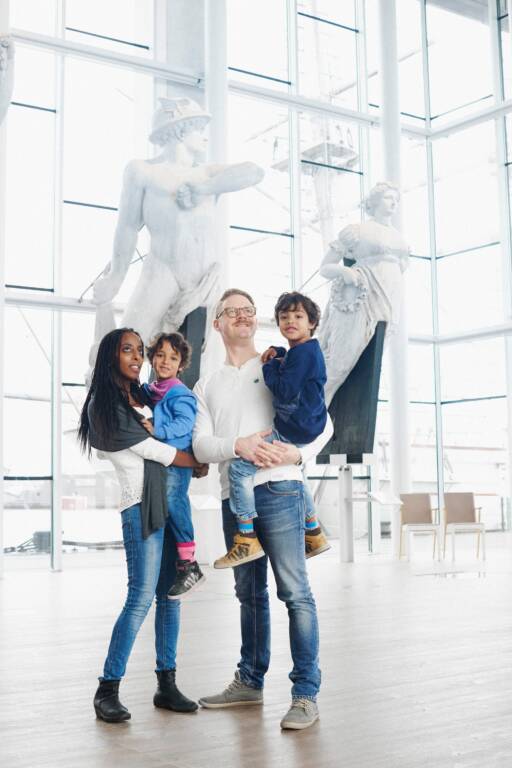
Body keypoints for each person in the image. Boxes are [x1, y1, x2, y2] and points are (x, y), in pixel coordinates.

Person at [192, 289, 333, 731]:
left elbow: (323, 422)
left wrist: (298, 454)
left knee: (295, 593)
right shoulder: (206, 384)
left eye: (248, 310)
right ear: (218, 323)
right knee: (248, 595)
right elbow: (201, 445)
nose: (242, 316)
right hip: (234, 499)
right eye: (231, 311)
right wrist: (237, 445)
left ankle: (305, 694)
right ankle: (250, 681)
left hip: (281, 489)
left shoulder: (278, 361)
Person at [78, 327, 207, 723]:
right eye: (127, 350)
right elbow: (153, 449)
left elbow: (175, 432)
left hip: (164, 501)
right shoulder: (106, 403)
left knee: (171, 596)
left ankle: (166, 684)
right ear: (110, 357)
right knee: (140, 598)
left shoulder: (145, 396)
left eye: (139, 351)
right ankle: (107, 689)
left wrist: (191, 455)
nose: (137, 357)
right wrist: (196, 461)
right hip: (140, 505)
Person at [91, 97, 264, 358]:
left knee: (205, 357)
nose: (205, 136)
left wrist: (203, 189)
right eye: (199, 128)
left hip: (203, 274)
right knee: (127, 345)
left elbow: (254, 172)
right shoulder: (143, 171)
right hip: (162, 268)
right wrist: (116, 277)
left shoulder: (207, 174)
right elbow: (127, 228)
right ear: (180, 131)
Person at [214, 290, 330, 569]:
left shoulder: (304, 353)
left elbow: (284, 388)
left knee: (238, 470)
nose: (290, 321)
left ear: (312, 322)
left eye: (298, 316)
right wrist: (278, 353)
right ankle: (313, 530)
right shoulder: (302, 351)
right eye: (284, 317)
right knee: (298, 473)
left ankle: (245, 536)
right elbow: (291, 365)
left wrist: (267, 367)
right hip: (303, 426)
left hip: (295, 428)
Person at [317, 181, 409, 404]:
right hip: (361, 294)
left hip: (390, 297)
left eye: (396, 199)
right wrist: (343, 271)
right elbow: (325, 267)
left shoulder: (398, 236)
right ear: (375, 201)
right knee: (342, 358)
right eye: (388, 198)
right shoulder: (357, 231)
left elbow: (401, 267)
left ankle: (333, 411)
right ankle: (316, 407)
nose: (393, 203)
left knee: (372, 361)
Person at [142, 331, 205, 599]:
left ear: (181, 365)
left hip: (177, 458)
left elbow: (184, 424)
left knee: (175, 500)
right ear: (152, 359)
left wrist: (159, 430)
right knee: (167, 504)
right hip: (163, 459)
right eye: (160, 355)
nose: (165, 361)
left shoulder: (180, 393)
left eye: (173, 357)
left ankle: (190, 564)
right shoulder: (153, 390)